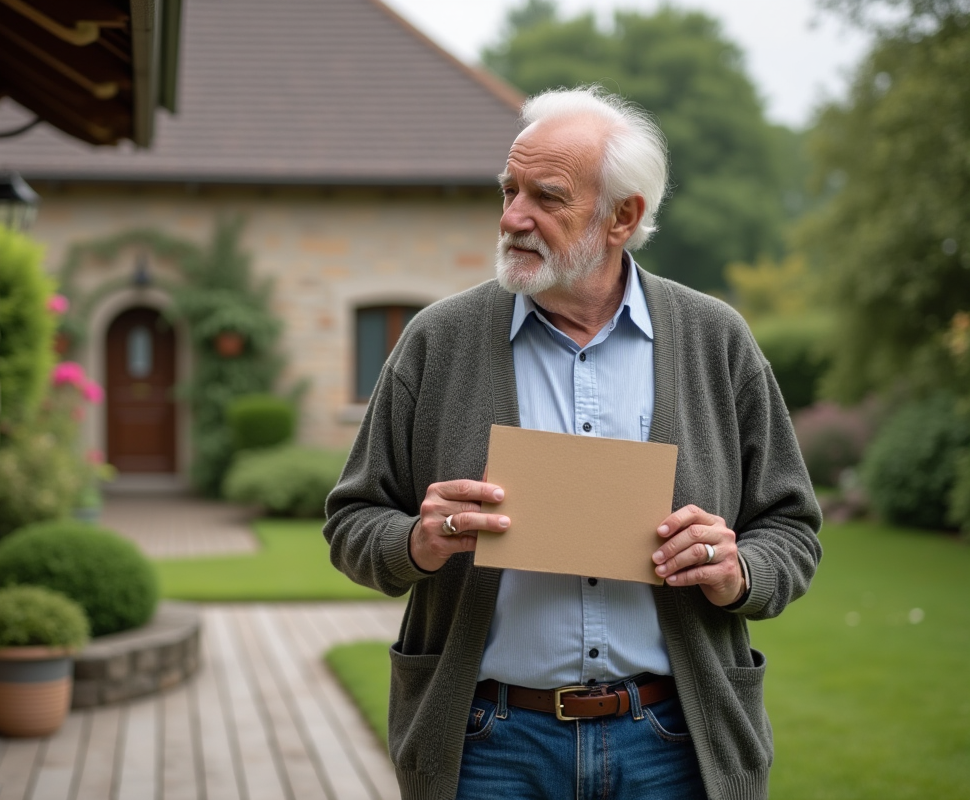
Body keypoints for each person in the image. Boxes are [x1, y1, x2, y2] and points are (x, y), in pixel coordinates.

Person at [324, 86, 821, 800]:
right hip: (486, 746)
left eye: (546, 197)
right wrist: (417, 542)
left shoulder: (716, 340)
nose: (512, 217)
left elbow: (792, 528)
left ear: (623, 217)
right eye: (509, 190)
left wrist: (737, 569)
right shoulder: (437, 341)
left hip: (673, 744)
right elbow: (351, 521)